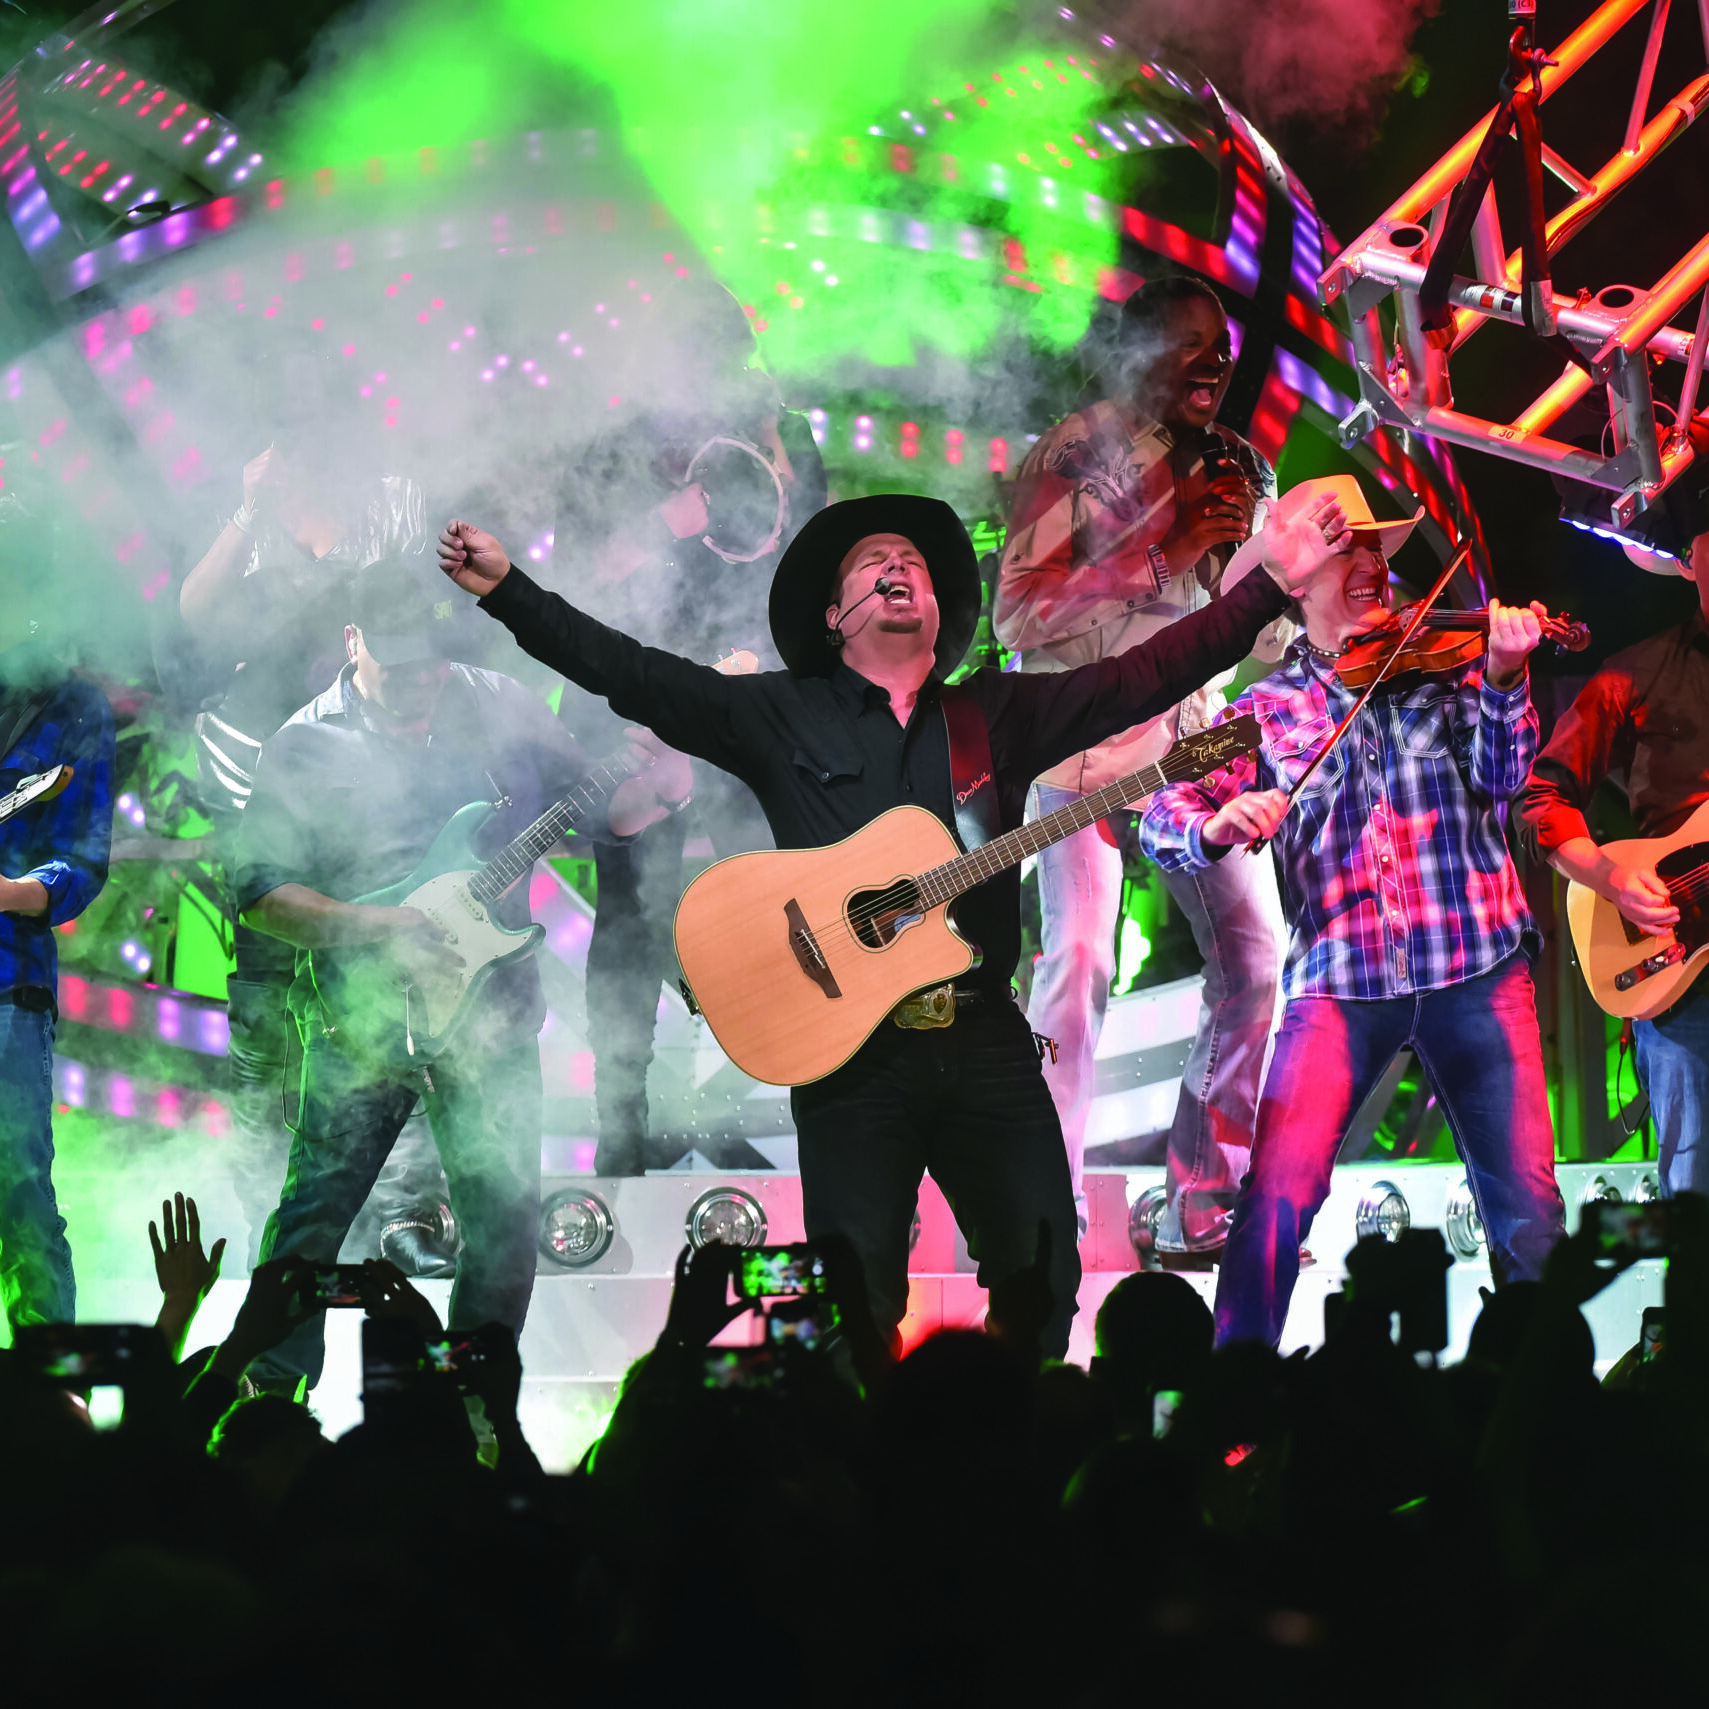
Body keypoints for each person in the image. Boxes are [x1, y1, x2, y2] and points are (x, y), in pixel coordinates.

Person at [435, 488, 1334, 1357]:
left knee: (1044, 1270)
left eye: (915, 562)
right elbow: (630, 671)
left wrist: (1268, 583)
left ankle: (1004, 1449)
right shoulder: (779, 713)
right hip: (849, 1058)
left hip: (984, 1036)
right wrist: (511, 591)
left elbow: (1148, 673)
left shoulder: (996, 713)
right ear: (834, 615)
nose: (900, 564)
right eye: (875, 562)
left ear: (941, 611)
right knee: (853, 1299)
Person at [229, 560, 689, 1391]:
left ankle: (473, 1408)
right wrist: (382, 927)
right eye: (399, 661)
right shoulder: (304, 743)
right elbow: (260, 896)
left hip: (492, 1013)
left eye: (434, 659)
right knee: (314, 1219)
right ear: (352, 640)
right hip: (357, 1014)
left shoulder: (499, 706)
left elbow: (601, 811)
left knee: (505, 1223)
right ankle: (269, 1404)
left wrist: (661, 782)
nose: (420, 680)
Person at [1140, 474, 1567, 1347]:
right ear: (1295, 577)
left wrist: (1503, 676)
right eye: (1348, 546)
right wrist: (1215, 823)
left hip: (1476, 962)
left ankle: (1547, 1398)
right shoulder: (1258, 711)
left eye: (1377, 545)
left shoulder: (1444, 666)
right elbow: (1161, 812)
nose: (1373, 563)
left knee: (1525, 1205)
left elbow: (1501, 778)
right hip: (1340, 978)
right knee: (1275, 1199)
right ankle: (1237, 1399)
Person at [997, 275, 1289, 1254]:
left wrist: (1321, 608)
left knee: (1256, 960)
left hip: (1191, 756)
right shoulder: (1078, 450)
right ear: (1137, 352)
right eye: (1188, 343)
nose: (1214, 361)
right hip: (1077, 750)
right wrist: (1165, 558)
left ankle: (1203, 1205)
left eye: (1222, 345)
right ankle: (1042, 1202)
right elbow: (1018, 611)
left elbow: (1265, 631)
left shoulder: (1246, 467)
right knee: (1076, 962)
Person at [552, 279, 827, 1174]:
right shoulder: (607, 445)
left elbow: (813, 562)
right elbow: (587, 582)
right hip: (642, 712)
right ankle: (623, 1122)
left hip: (751, 704)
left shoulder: (781, 436)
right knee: (634, 915)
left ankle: (724, 1106)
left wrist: (779, 674)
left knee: (773, 909)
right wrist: (680, 515)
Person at [178, 403, 442, 1267]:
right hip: (259, 774)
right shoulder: (252, 524)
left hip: (367, 778)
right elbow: (193, 615)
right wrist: (250, 507)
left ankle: (403, 1211)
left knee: (388, 994)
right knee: (262, 987)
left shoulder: (393, 503)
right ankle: (263, 1205)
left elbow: (423, 608)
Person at [1520, 519, 1709, 1197]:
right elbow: (1541, 800)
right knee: (1696, 1193)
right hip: (1685, 977)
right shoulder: (1636, 672)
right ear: (1689, 557)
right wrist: (1608, 874)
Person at [0, 495, 115, 1330]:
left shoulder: (72, 708)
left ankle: (55, 1405)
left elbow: (79, 865)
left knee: (16, 1192)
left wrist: (7, 893)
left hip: (7, 983)